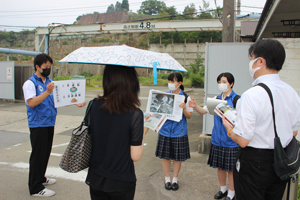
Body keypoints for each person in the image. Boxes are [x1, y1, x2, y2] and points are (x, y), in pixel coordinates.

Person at [223, 39, 300, 200]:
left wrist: (229, 129)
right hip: (281, 159)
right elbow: (293, 131)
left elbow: (243, 140)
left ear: (261, 61)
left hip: (255, 162)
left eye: (252, 58)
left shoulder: (252, 95)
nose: (250, 63)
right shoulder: (291, 92)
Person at [22, 53, 86, 197]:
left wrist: (77, 102)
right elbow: (31, 103)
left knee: (45, 152)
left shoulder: (50, 82)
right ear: (37, 67)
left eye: (49, 67)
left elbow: (61, 98)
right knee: (38, 155)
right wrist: (47, 91)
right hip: (38, 124)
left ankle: (41, 178)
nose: (48, 69)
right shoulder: (30, 83)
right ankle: (35, 188)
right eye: (45, 67)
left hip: (49, 122)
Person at [85, 65, 146, 200]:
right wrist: (143, 132)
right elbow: (135, 156)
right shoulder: (135, 114)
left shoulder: (93, 105)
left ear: (107, 80)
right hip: (121, 181)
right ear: (132, 83)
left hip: (96, 178)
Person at [189, 72, 239, 200]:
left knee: (231, 169)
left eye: (224, 82)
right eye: (219, 82)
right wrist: (196, 107)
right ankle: (223, 190)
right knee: (220, 167)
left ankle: (232, 193)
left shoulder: (236, 99)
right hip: (217, 139)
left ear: (231, 83)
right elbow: (203, 112)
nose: (221, 84)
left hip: (231, 140)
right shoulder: (215, 99)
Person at [155, 72, 193, 191]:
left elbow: (189, 115)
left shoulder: (186, 97)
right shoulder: (164, 97)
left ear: (180, 83)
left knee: (177, 158)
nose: (170, 84)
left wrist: (183, 109)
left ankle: (175, 180)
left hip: (179, 131)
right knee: (166, 157)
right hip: (165, 130)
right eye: (169, 81)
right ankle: (167, 179)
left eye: (173, 81)